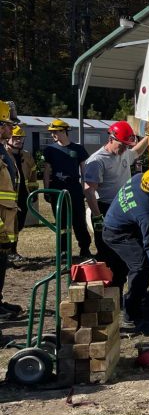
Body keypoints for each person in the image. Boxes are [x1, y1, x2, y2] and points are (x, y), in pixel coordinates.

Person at [102, 167, 149, 333]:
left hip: (118, 225)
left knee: (121, 271)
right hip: (118, 235)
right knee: (142, 267)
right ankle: (132, 314)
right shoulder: (146, 212)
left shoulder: (139, 178)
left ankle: (115, 306)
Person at [83, 121, 149, 284]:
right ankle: (106, 290)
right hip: (105, 209)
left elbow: (136, 152)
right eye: (122, 145)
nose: (125, 149)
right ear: (111, 139)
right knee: (108, 256)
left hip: (123, 209)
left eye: (127, 145)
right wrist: (98, 217)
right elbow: (89, 190)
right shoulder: (98, 160)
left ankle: (117, 291)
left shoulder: (124, 152)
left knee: (124, 256)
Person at [41, 119, 91, 258]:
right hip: (57, 190)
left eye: (55, 132)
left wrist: (85, 190)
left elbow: (84, 171)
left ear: (64, 131)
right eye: (51, 133)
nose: (53, 135)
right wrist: (46, 190)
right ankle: (64, 250)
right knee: (61, 222)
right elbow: (47, 171)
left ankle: (85, 248)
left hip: (74, 189)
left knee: (79, 221)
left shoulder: (78, 149)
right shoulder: (50, 150)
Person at [0, 102, 22, 318]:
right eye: (7, 125)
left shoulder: (1, 149)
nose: (11, 129)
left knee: (1, 266)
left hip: (5, 220)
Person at [5, 124, 38, 264]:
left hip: (23, 196)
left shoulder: (26, 155)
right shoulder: (4, 155)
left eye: (20, 138)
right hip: (8, 197)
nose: (18, 140)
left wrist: (34, 191)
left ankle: (12, 251)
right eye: (15, 137)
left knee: (19, 224)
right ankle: (9, 252)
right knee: (8, 226)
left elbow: (33, 175)